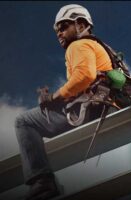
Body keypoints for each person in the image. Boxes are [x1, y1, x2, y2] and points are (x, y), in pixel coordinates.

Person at [15, 4, 118, 200]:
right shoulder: (99, 47)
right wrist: (61, 97)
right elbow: (88, 81)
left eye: (63, 26)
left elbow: (84, 76)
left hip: (92, 109)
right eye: (56, 30)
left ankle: (42, 183)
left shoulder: (78, 45)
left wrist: (54, 97)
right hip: (103, 106)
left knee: (24, 121)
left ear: (80, 25)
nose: (59, 33)